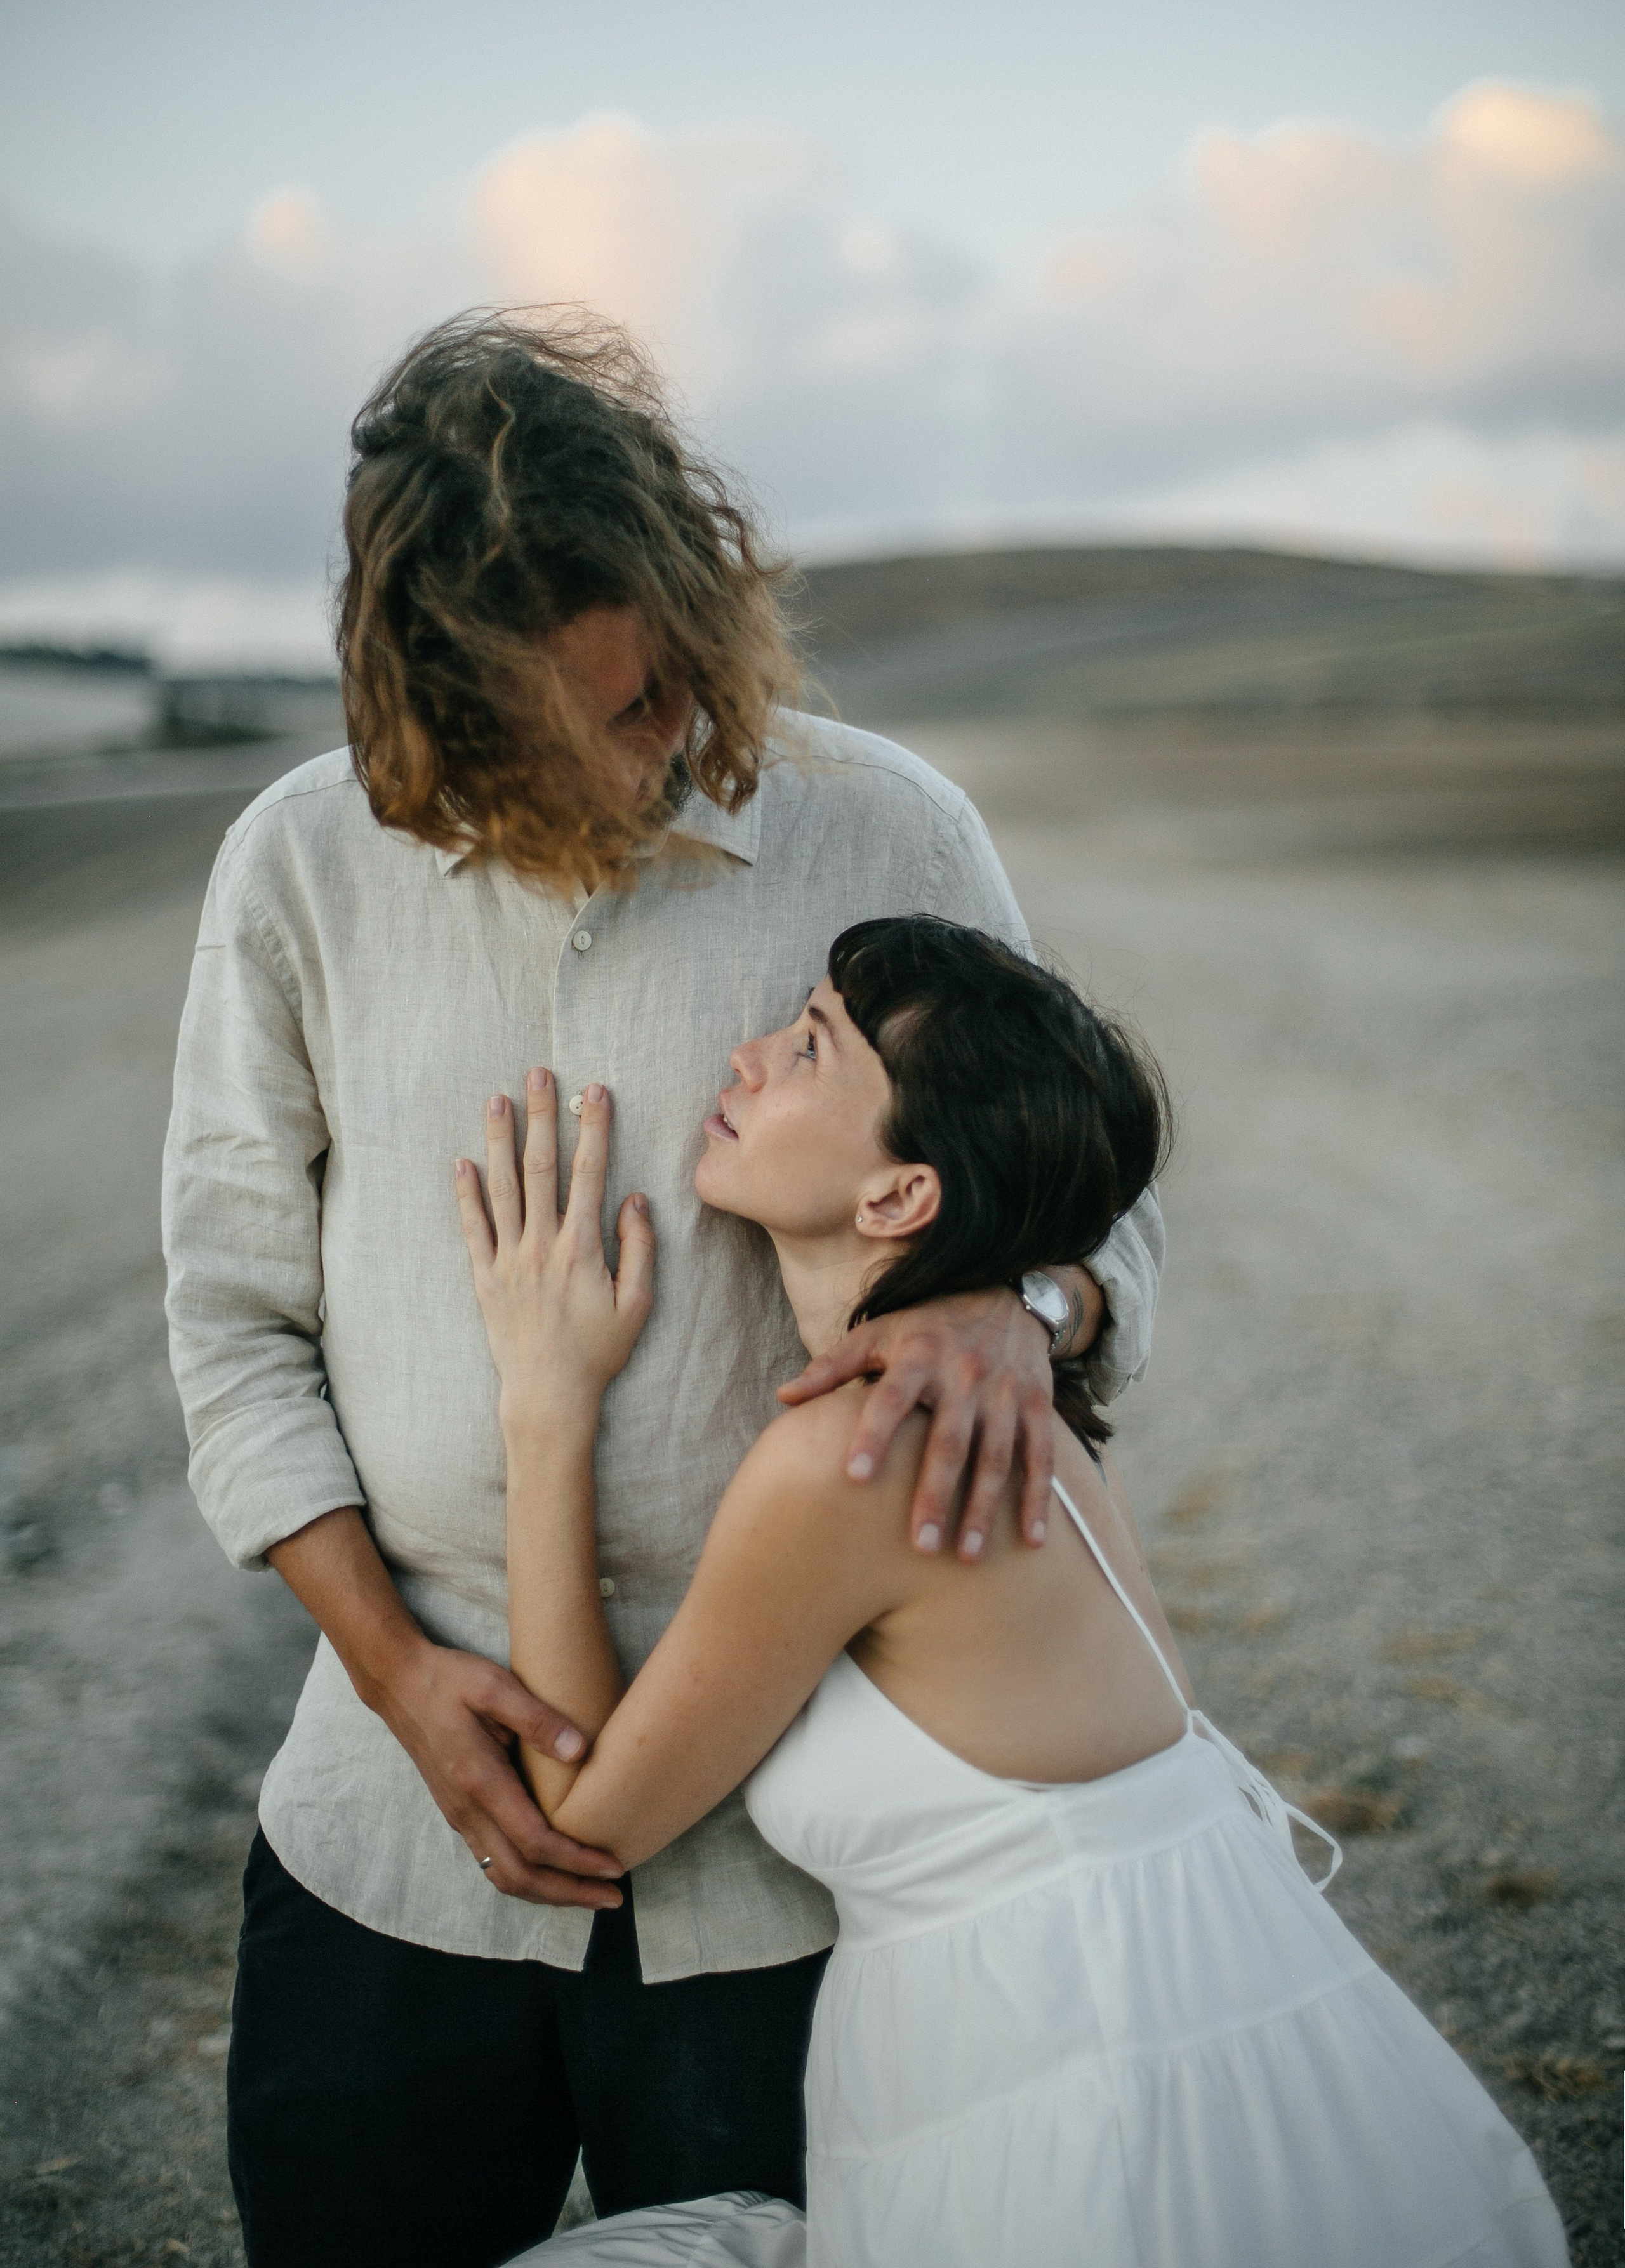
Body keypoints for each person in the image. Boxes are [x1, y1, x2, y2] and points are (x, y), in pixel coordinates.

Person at [160, 310, 1164, 2268]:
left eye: (659, 690)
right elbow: (233, 1324)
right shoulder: (293, 866)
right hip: (396, 1834)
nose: (656, 749)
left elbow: (1098, 1216)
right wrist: (392, 1673)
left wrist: (1018, 1304)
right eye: (585, 727)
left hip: (790, 1878)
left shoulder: (894, 830)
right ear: (435, 708)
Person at [468, 917, 1567, 2268]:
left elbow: (581, 1819)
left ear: (896, 1199)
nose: (747, 1055)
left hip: (1096, 2122)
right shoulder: (1013, 1412)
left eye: (808, 1045)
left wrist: (543, 1400)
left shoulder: (849, 1455)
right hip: (1168, 2046)